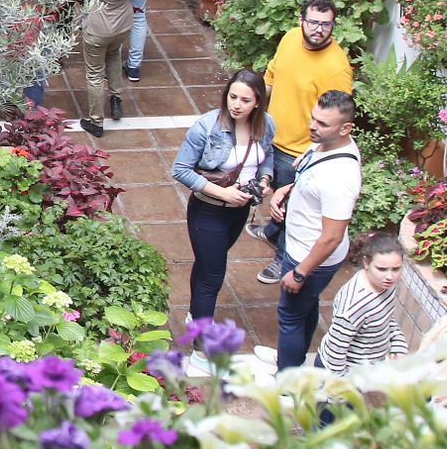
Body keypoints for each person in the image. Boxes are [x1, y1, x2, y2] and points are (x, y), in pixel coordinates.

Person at [247, 0, 355, 282]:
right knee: (277, 197)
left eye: (326, 24)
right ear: (301, 21)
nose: (319, 29)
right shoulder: (291, 38)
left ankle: (282, 260)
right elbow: (271, 76)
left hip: (300, 150)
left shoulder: (337, 67)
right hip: (273, 137)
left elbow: (337, 118)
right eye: (314, 22)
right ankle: (271, 230)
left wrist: (315, 154)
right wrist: (254, 110)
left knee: (292, 207)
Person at [172, 69, 276, 370]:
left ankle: (195, 315)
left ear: (257, 102)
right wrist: (223, 193)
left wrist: (266, 179)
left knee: (206, 266)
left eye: (245, 99)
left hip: (239, 212)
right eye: (232, 97)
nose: (237, 105)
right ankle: (201, 351)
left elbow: (266, 156)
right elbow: (180, 170)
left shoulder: (266, 125)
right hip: (208, 210)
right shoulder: (207, 127)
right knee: (212, 278)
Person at [258, 89, 362, 372]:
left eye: (323, 124)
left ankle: (287, 378)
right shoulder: (323, 145)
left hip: (310, 256)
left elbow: (332, 236)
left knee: (289, 317)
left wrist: (301, 271)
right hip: (300, 245)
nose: (313, 127)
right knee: (305, 308)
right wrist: (285, 190)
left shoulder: (341, 178)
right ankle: (292, 359)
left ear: (345, 128)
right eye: (313, 119)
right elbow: (308, 177)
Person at [77, 0, 158, 138]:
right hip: (123, 24)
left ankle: (95, 122)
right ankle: (115, 99)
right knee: (113, 55)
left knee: (94, 74)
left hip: (97, 27)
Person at [315, 232, 410, 376]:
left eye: (396, 269)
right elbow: (335, 352)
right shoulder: (354, 306)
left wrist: (397, 343)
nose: (390, 276)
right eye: (382, 269)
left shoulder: (385, 285)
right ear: (366, 262)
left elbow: (385, 318)